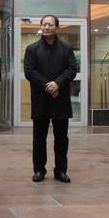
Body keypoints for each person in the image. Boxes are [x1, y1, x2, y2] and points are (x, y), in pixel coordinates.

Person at [24, 14, 77, 183]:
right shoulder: (32, 49)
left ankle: (60, 170)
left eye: (50, 25)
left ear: (57, 27)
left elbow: (72, 69)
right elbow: (29, 71)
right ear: (41, 26)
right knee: (39, 138)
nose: (46, 27)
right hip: (41, 99)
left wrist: (57, 84)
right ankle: (39, 170)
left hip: (60, 99)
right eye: (44, 24)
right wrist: (48, 86)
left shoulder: (66, 48)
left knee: (61, 138)